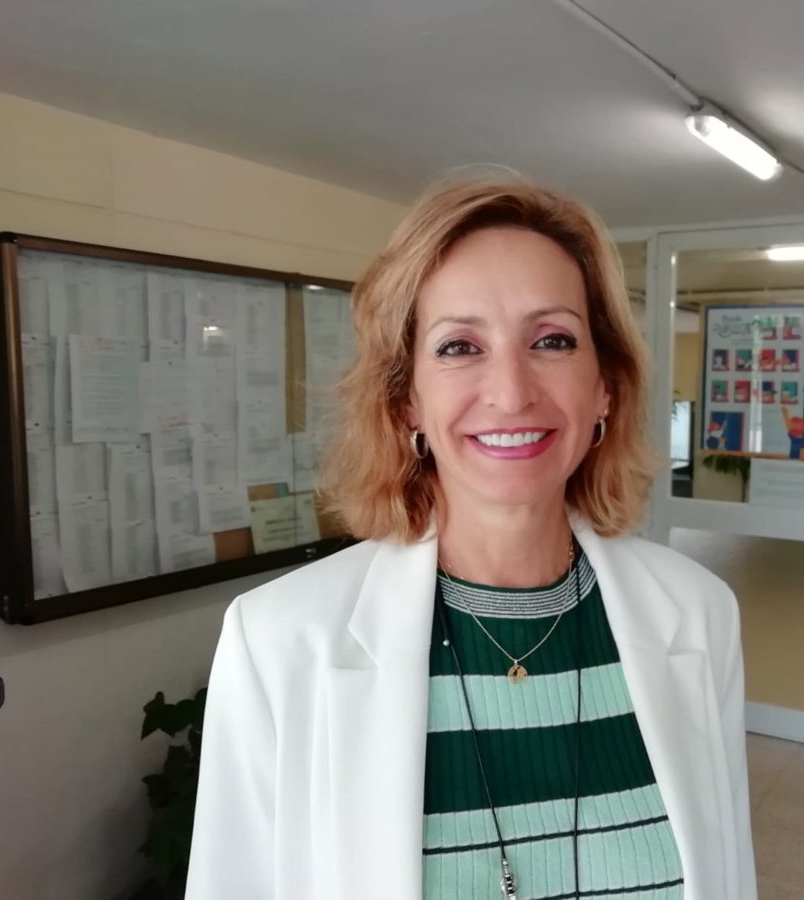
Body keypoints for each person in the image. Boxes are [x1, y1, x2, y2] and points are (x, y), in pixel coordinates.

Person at [186, 174, 756, 899]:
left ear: (605, 385)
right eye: (459, 347)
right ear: (406, 399)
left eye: (552, 340)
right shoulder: (278, 640)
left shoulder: (700, 615)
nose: (511, 392)